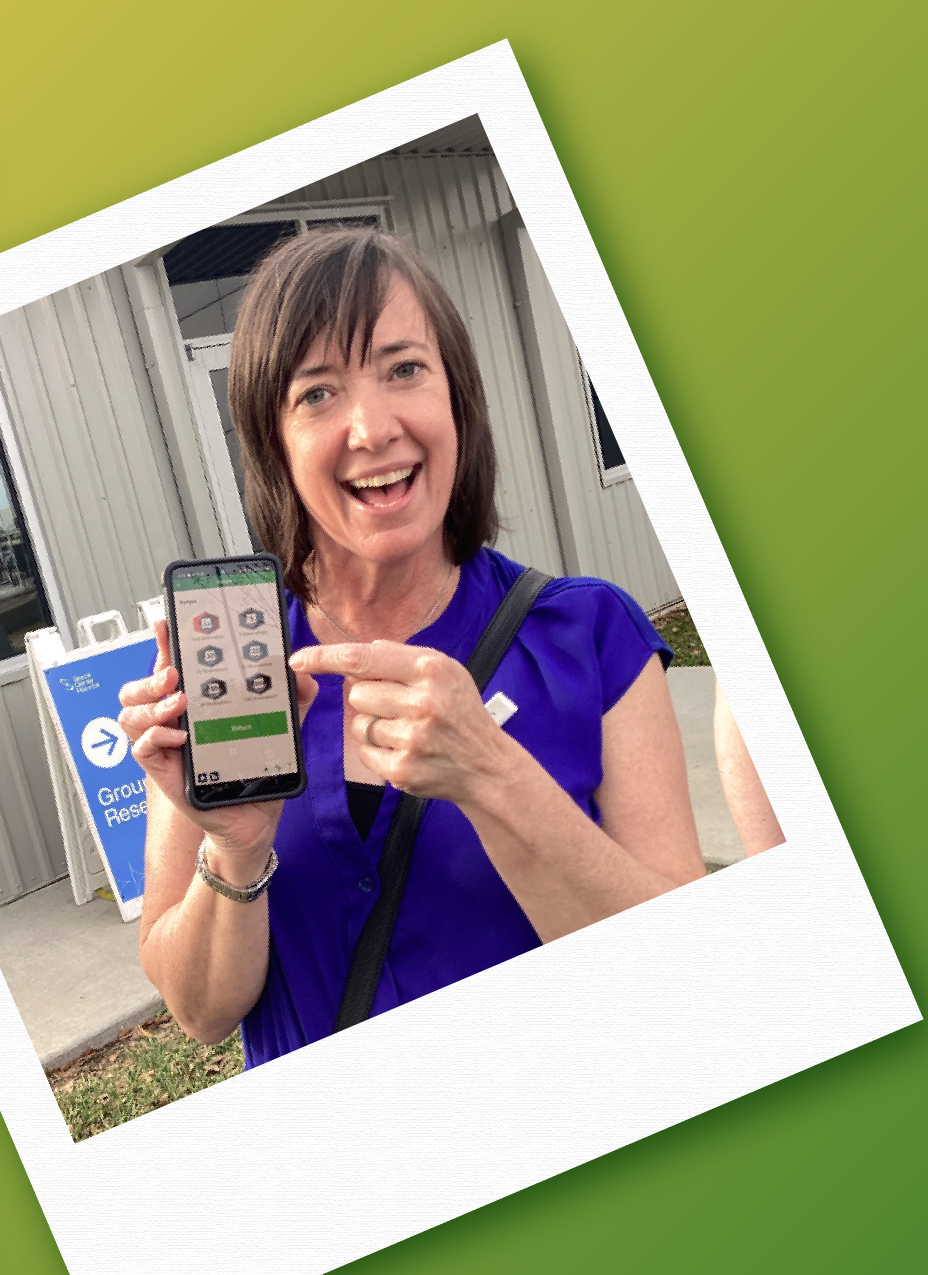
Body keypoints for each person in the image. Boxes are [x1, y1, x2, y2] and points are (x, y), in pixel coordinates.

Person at [117, 227, 706, 1065]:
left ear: (457, 399)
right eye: (316, 393)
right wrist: (236, 846)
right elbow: (201, 1012)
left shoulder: (593, 638)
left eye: (403, 369)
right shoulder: (234, 668)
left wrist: (494, 777)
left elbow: (683, 976)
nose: (371, 426)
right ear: (273, 445)